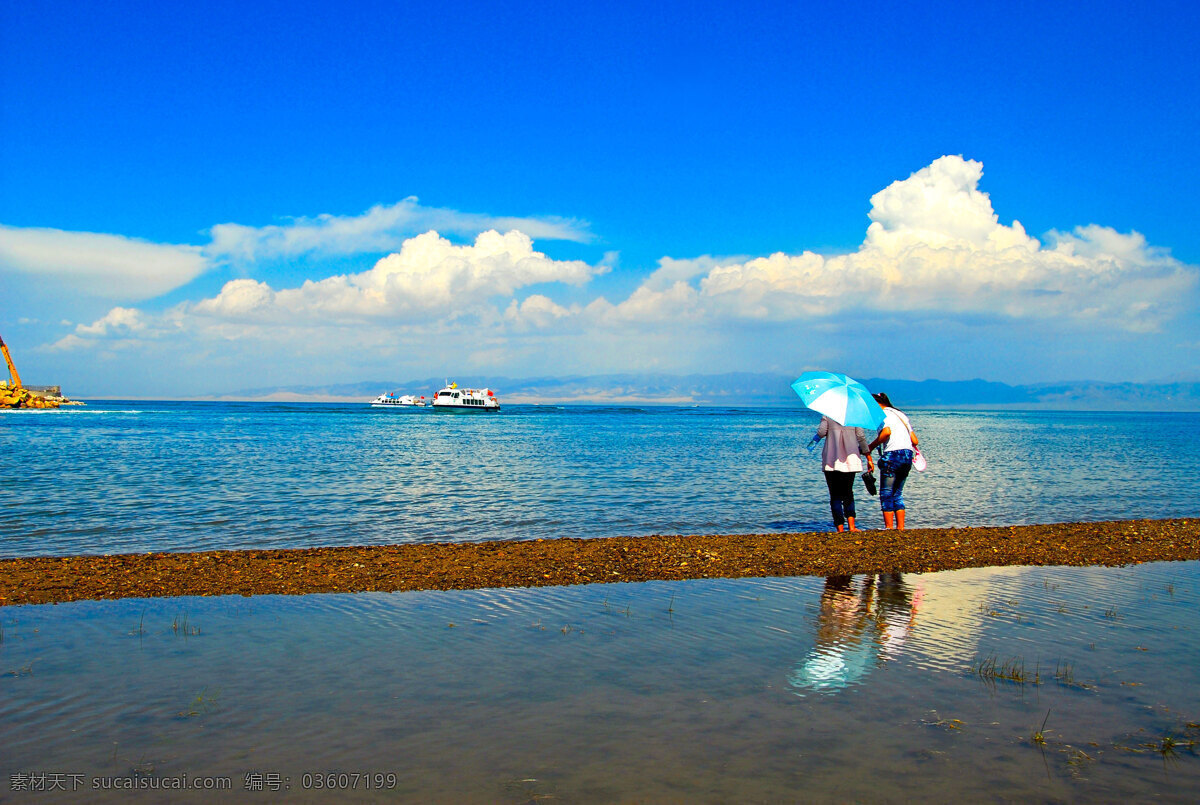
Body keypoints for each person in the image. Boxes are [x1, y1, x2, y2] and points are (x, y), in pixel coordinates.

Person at [867, 392, 918, 530]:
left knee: (886, 492)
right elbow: (914, 440)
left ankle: (889, 528)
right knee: (897, 493)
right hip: (907, 455)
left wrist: (871, 446)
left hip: (892, 455)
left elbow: (887, 432)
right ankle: (900, 528)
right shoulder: (901, 415)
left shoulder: (883, 414)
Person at [815, 416, 874, 532]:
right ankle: (852, 526)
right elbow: (861, 437)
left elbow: (821, 432)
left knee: (835, 495)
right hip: (850, 459)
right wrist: (868, 455)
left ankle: (840, 528)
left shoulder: (827, 414)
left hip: (831, 459)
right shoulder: (855, 415)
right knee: (848, 492)